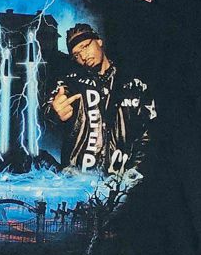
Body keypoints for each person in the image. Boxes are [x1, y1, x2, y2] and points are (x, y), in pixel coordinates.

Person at [49, 22, 157, 179]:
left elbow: (148, 134)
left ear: (99, 41)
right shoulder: (72, 83)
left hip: (120, 182)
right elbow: (52, 105)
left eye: (85, 47)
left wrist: (135, 172)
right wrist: (55, 110)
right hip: (79, 182)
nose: (83, 57)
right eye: (76, 55)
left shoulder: (133, 85)